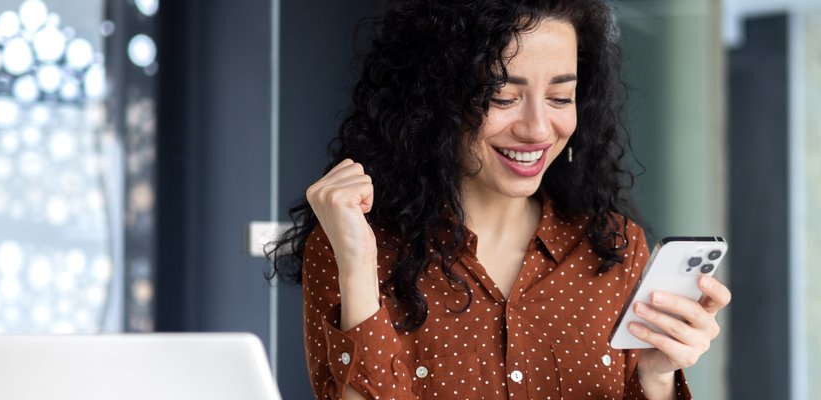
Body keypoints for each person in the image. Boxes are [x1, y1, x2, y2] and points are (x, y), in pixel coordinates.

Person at [269, 1, 732, 398]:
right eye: (503, 96)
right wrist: (356, 259)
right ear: (435, 98)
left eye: (560, 96)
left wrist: (656, 379)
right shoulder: (354, 248)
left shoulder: (614, 247)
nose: (536, 129)